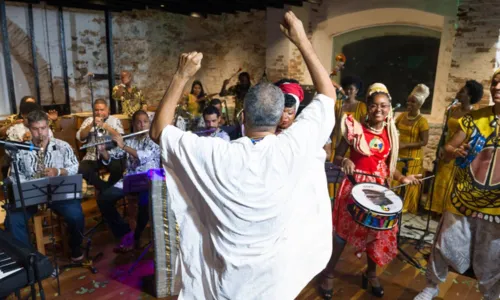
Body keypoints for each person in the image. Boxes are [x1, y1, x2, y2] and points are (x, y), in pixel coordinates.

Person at [150, 11, 336, 299]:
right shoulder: (293, 147)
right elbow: (327, 95)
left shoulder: (215, 154)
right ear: (280, 117)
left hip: (225, 283)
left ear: (242, 115)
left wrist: (181, 75)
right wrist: (301, 39)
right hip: (275, 283)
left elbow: (159, 130)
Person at [319, 83, 422, 299]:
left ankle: (371, 273)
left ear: (389, 108)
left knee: (377, 233)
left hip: (379, 190)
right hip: (354, 188)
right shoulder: (355, 129)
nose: (379, 110)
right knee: (341, 235)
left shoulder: (391, 134)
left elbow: (387, 166)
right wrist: (345, 159)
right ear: (367, 106)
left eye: (383, 106)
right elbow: (337, 157)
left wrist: (403, 178)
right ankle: (328, 273)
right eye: (374, 105)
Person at [414, 70, 500, 300]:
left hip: (497, 208)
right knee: (445, 245)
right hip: (464, 197)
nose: (497, 87)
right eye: (495, 82)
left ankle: (492, 296)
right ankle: (431, 287)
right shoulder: (474, 118)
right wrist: (454, 151)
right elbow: (447, 150)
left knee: (492, 257)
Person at [4, 110, 84, 262]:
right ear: (29, 129)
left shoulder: (63, 146)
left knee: (76, 215)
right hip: (32, 195)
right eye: (35, 129)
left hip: (58, 192)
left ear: (48, 127)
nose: (40, 133)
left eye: (43, 128)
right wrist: (31, 182)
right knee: (13, 220)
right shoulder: (20, 150)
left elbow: (75, 167)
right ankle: (30, 259)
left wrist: (59, 171)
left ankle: (76, 247)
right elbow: (15, 176)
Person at [96, 110, 160, 252]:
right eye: (138, 122)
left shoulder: (154, 140)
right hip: (130, 179)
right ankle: (125, 233)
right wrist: (103, 151)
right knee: (104, 199)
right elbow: (111, 157)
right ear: (133, 124)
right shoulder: (130, 140)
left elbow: (142, 156)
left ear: (149, 123)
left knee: (144, 204)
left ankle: (136, 237)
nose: (141, 125)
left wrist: (123, 145)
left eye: (145, 121)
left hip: (148, 179)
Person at [427, 80, 483, 214]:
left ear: (469, 96)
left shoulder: (474, 115)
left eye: (462, 92)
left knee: (451, 181)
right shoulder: (452, 109)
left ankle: (447, 209)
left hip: (458, 151)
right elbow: (445, 130)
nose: (458, 93)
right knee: (441, 177)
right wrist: (440, 147)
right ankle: (435, 208)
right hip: (447, 147)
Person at [395, 84, 430, 213]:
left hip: (412, 158)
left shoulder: (422, 122)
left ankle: (405, 207)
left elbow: (424, 141)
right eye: (408, 100)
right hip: (398, 155)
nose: (409, 103)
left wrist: (405, 144)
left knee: (409, 182)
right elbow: (393, 128)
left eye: (413, 102)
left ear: (419, 104)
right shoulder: (401, 116)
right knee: (397, 179)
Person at [77, 99, 124, 191]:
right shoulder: (88, 121)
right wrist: (91, 125)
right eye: (96, 110)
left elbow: (120, 137)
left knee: (118, 168)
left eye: (102, 110)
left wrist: (105, 126)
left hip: (111, 154)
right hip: (92, 156)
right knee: (82, 169)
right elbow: (80, 137)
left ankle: (110, 189)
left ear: (108, 110)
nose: (99, 112)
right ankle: (105, 188)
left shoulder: (115, 120)